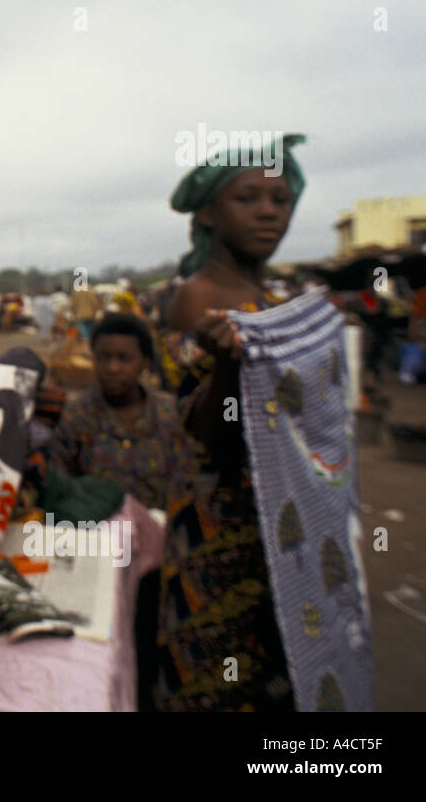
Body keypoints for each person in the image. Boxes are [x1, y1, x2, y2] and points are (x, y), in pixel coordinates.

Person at [154, 133, 308, 711]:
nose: (270, 212)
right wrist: (225, 365)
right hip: (219, 527)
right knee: (214, 685)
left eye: (281, 199)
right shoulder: (198, 300)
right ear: (210, 213)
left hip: (277, 526)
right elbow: (208, 434)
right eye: (249, 198)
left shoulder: (268, 299)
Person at [47, 312, 194, 511]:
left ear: (146, 362)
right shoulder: (75, 416)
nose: (112, 368)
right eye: (103, 358)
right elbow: (61, 488)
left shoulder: (171, 414)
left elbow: (187, 483)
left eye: (124, 359)